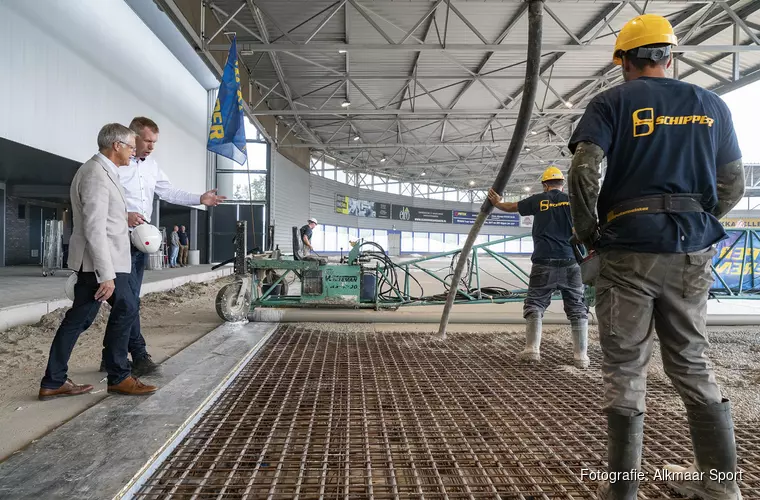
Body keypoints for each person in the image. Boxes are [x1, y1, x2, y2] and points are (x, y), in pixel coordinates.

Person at [566, 14, 745, 500]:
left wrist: (590, 234)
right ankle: (720, 488)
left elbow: (583, 171)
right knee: (691, 362)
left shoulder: (610, 103)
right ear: (670, 56)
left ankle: (622, 491)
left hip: (628, 251)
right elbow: (734, 183)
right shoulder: (711, 105)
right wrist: (698, 221)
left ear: (623, 61)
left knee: (625, 369)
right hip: (690, 251)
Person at [100, 116, 227, 377]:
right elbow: (97, 200)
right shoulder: (113, 166)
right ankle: (139, 354)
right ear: (133, 137)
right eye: (147, 140)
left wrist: (199, 198)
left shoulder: (152, 166)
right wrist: (123, 216)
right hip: (115, 240)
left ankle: (110, 354)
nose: (151, 146)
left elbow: (170, 192)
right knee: (128, 302)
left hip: (139, 243)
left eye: (154, 142)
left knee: (127, 301)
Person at [39, 123, 157, 400]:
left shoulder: (104, 171)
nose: (133, 152)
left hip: (103, 262)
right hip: (102, 264)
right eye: (130, 146)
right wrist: (106, 274)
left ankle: (54, 380)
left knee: (79, 318)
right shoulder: (95, 174)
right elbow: (95, 227)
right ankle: (119, 376)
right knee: (125, 308)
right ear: (116, 145)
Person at [487, 167, 589, 369]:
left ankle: (532, 350)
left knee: (535, 304)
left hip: (544, 261)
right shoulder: (573, 200)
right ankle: (581, 356)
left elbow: (511, 207)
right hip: (571, 261)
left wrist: (497, 202)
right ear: (561, 183)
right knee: (577, 308)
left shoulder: (538, 200)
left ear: (545, 184)